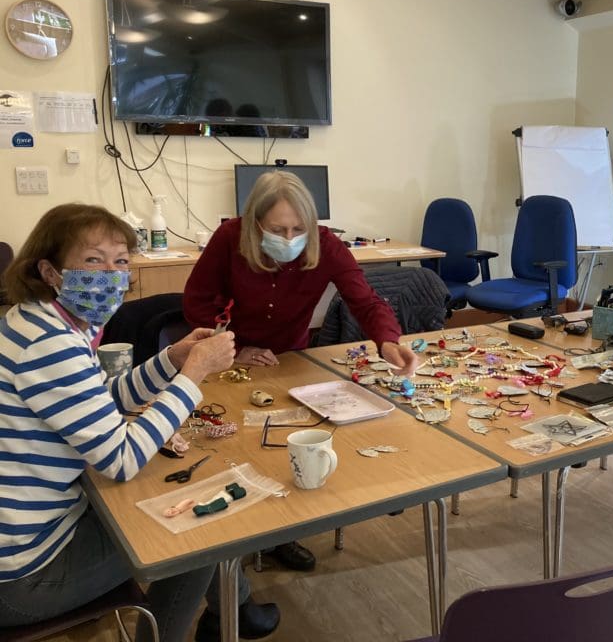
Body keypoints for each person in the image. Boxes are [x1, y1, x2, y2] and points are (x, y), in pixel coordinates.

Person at [0, 203, 279, 642]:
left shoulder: (40, 321)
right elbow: (122, 459)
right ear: (50, 271)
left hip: (30, 541)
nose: (111, 274)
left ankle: (232, 613)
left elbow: (101, 403)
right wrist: (193, 375)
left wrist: (172, 359)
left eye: (121, 261)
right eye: (93, 260)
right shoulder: (48, 344)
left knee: (180, 498)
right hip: (22, 577)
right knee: (203, 529)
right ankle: (203, 622)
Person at [183, 170, 420, 571]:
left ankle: (281, 531)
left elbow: (365, 300)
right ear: (256, 224)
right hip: (229, 358)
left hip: (290, 357)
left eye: (299, 228)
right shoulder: (229, 239)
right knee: (234, 445)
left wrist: (388, 340)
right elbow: (196, 302)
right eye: (278, 229)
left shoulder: (326, 245)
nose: (290, 238)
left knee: (283, 441)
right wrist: (233, 349)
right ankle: (233, 540)